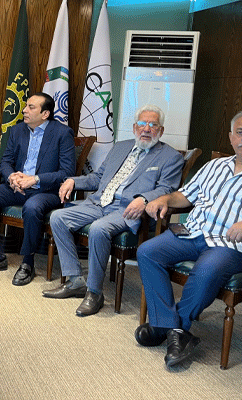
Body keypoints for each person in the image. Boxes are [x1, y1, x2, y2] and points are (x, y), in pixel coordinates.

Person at [135, 107, 242, 369]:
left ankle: (173, 328)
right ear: (231, 136)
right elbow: (185, 196)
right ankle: (170, 327)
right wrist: (165, 198)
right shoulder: (215, 166)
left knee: (207, 268)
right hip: (193, 233)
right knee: (147, 251)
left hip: (232, 245)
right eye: (240, 132)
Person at [45, 105, 184, 317]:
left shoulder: (170, 156)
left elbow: (166, 188)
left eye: (153, 125)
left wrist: (143, 199)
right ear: (135, 127)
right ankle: (75, 281)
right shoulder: (120, 147)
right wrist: (73, 180)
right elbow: (98, 178)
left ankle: (94, 293)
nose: (147, 129)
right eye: (142, 124)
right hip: (99, 202)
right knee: (58, 217)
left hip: (127, 209)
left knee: (99, 229)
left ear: (161, 130)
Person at [0, 92, 75, 286]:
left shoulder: (62, 133)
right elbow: (5, 161)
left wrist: (34, 179)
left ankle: (28, 262)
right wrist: (11, 176)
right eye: (26, 106)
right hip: (17, 188)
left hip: (46, 191)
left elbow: (67, 172)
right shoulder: (17, 130)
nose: (24, 110)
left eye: (31, 107)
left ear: (45, 114)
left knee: (32, 207)